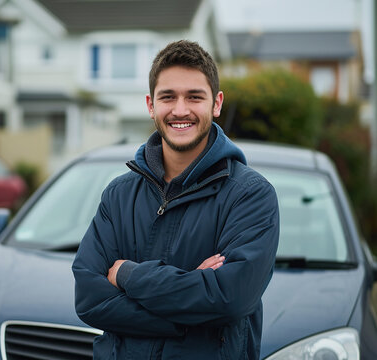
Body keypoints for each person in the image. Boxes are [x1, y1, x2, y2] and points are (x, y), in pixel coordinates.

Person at [72, 39, 280, 359]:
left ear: (216, 103)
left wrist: (128, 274)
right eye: (168, 97)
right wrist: (193, 306)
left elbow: (231, 299)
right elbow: (89, 299)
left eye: (194, 97)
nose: (180, 110)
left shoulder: (250, 195)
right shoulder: (119, 195)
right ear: (151, 105)